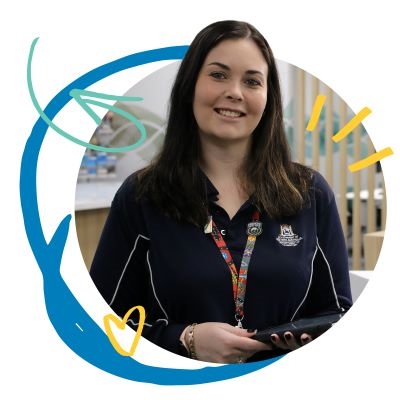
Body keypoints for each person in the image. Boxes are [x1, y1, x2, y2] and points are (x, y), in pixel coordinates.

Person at [89, 20, 353, 364]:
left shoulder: (309, 193)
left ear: (267, 97)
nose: (235, 92)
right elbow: (102, 321)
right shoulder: (141, 196)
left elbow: (339, 312)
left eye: (252, 81)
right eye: (218, 75)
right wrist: (184, 339)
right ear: (189, 86)